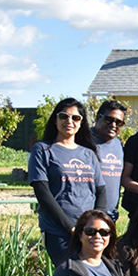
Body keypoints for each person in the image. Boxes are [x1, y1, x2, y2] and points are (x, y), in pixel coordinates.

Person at [29, 98, 107, 265]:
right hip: (59, 231)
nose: (69, 121)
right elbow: (42, 192)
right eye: (64, 116)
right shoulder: (43, 150)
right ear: (55, 119)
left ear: (81, 122)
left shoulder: (89, 154)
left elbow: (101, 191)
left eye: (76, 118)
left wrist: (96, 227)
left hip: (90, 232)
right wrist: (71, 227)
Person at [92, 100, 127, 222]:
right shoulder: (84, 140)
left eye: (119, 122)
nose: (113, 125)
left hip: (110, 215)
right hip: (88, 215)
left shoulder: (118, 144)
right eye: (109, 119)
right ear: (98, 117)